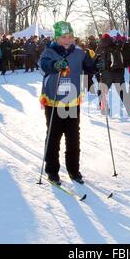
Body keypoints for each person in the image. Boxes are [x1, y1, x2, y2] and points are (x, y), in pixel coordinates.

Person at [39, 21, 104, 185]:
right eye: (64, 37)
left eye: (70, 36)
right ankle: (52, 171)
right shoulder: (50, 51)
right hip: (53, 101)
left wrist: (96, 65)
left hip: (72, 100)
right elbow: (43, 65)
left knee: (73, 136)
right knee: (54, 136)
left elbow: (88, 66)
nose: (68, 40)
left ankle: (73, 170)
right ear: (57, 38)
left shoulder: (79, 52)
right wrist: (54, 65)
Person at [95, 33, 129, 115]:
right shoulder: (116, 45)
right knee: (122, 91)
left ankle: (104, 108)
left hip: (106, 73)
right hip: (118, 72)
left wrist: (97, 75)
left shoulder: (99, 48)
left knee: (102, 91)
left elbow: (95, 62)